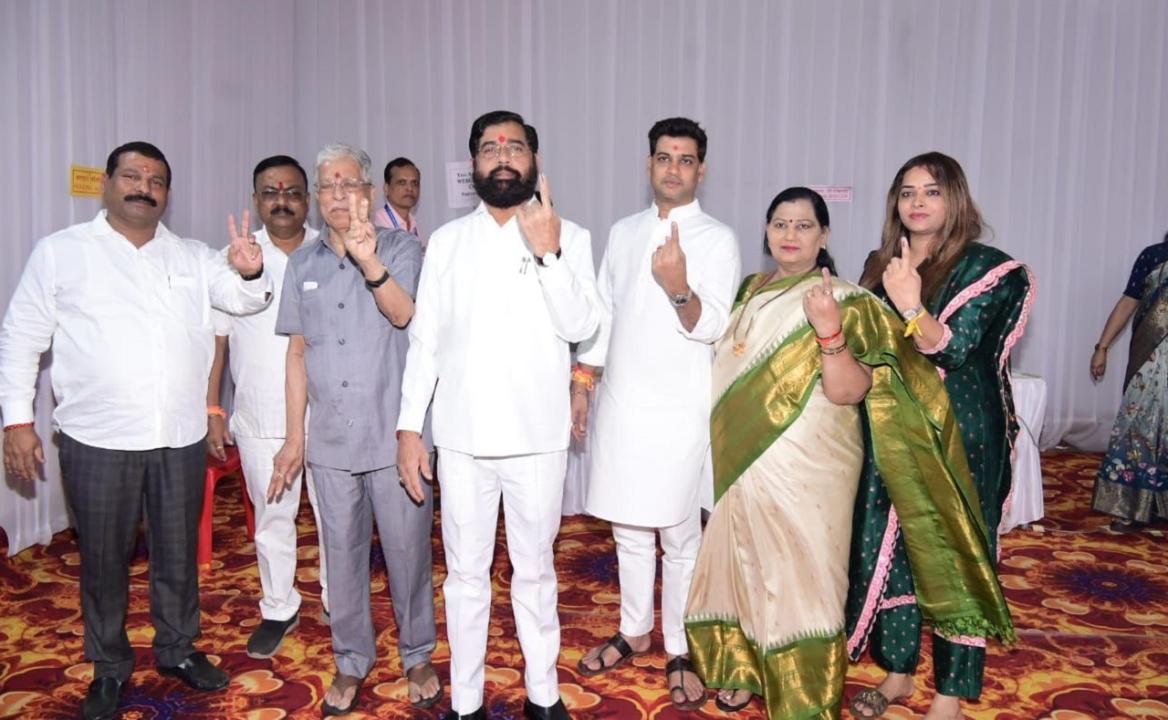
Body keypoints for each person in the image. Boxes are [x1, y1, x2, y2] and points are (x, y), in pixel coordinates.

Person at [683, 187, 1010, 718]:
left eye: (804, 226)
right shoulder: (748, 289)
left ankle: (801, 691)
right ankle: (747, 668)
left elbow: (851, 390)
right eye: (780, 224)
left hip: (810, 456)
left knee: (802, 569)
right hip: (743, 453)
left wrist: (830, 333)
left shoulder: (847, 298)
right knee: (745, 556)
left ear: (824, 235)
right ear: (766, 230)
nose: (790, 235)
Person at [0, 141, 271, 720]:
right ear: (108, 182)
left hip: (177, 438)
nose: (143, 186)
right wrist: (17, 421)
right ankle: (109, 665)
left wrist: (249, 270)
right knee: (103, 559)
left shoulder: (196, 257)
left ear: (167, 193)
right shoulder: (62, 253)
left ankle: (177, 649)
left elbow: (240, 299)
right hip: (97, 439)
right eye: (132, 175)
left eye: (156, 179)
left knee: (178, 555)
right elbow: (21, 339)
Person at [396, 110, 601, 720]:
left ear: (535, 160)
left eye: (515, 146)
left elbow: (583, 327)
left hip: (538, 439)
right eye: (490, 148)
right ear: (474, 166)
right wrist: (411, 428)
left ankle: (543, 694)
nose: (503, 156)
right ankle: (465, 702)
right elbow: (425, 341)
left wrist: (549, 253)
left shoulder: (573, 236)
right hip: (461, 441)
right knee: (464, 577)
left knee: (535, 574)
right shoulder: (449, 243)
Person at [847, 152, 1033, 719]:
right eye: (907, 192)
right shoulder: (882, 263)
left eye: (932, 191)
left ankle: (950, 695)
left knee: (953, 556)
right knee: (891, 549)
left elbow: (952, 347)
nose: (918, 202)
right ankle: (900, 673)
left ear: (956, 199)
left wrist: (908, 302)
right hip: (890, 433)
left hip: (961, 435)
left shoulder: (992, 269)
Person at [573, 117, 740, 712]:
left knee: (678, 531)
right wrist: (584, 381)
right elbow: (604, 315)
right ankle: (635, 627)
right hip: (622, 400)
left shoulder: (717, 239)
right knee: (628, 528)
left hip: (681, 405)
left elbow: (713, 325)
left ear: (702, 169)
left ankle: (679, 645)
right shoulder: (621, 232)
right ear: (648, 165)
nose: (674, 168)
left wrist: (677, 285)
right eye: (664, 157)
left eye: (686, 159)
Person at [271, 143, 439, 716]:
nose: (338, 194)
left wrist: (371, 263)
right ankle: (350, 660)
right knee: (339, 558)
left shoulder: (405, 248)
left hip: (397, 438)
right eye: (327, 185)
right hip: (332, 444)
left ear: (369, 192)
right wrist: (295, 438)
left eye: (348, 183)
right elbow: (296, 355)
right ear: (318, 200)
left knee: (408, 552)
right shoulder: (303, 265)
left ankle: (417, 652)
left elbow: (406, 314)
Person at [205, 155, 330, 658]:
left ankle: (337, 601)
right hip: (260, 417)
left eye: (293, 191)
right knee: (272, 519)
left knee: (335, 518)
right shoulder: (232, 256)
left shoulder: (331, 250)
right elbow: (216, 340)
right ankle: (279, 606)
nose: (282, 200)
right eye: (271, 192)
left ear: (308, 199)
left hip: (327, 415)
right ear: (257, 200)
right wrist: (213, 408)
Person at [1090, 231, 1168, 532]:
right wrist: (1102, 348)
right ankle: (1131, 506)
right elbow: (1128, 302)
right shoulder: (1154, 256)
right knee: (1138, 429)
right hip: (1150, 360)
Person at [373, 157, 423, 246]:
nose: (410, 188)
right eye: (402, 183)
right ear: (386, 188)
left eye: (414, 183)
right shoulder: (376, 223)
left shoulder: (414, 225)